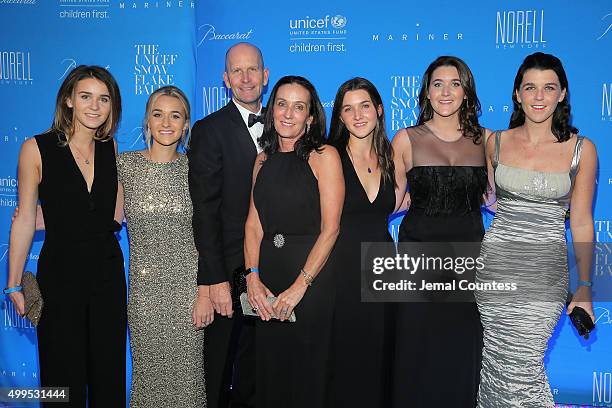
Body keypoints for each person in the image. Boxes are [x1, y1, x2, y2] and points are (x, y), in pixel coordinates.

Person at [475, 52, 597, 408]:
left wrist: (586, 287)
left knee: (524, 367)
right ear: (517, 94)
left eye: (548, 88)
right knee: (495, 363)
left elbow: (582, 221)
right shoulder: (495, 142)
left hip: (544, 270)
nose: (539, 96)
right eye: (530, 87)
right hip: (496, 265)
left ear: (562, 94)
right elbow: (490, 199)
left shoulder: (581, 150)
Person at [5, 65, 126, 407]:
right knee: (61, 377)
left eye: (104, 99)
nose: (94, 106)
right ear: (69, 100)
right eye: (85, 96)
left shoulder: (110, 148)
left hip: (107, 275)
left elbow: (108, 214)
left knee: (109, 374)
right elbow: (25, 218)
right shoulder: (35, 148)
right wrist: (13, 283)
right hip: (60, 276)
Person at [391, 56, 491, 407]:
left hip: (468, 264)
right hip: (417, 263)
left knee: (461, 354)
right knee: (415, 351)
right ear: (427, 93)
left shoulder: (487, 141)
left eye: (454, 83)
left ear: (466, 91)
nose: (445, 91)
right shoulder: (405, 139)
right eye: (437, 84)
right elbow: (391, 202)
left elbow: (497, 200)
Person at [243, 75, 344, 408]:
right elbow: (253, 226)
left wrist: (301, 286)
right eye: (282, 104)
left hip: (311, 283)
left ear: (310, 117)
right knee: (272, 373)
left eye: (298, 107)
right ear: (272, 110)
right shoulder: (262, 160)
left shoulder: (324, 155)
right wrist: (252, 279)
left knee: (308, 375)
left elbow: (331, 229)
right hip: (267, 283)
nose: (288, 114)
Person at [116, 86, 210, 407]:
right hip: (145, 295)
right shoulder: (125, 166)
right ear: (147, 122)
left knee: (188, 385)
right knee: (148, 381)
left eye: (175, 115)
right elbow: (100, 215)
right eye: (158, 114)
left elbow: (207, 237)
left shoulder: (195, 170)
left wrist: (205, 294)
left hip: (189, 295)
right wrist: (41, 216)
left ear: (186, 125)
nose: (166, 122)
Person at [187, 42, 268, 408]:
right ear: (225, 79)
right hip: (230, 270)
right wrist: (214, 279)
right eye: (237, 70)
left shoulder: (289, 126)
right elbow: (204, 211)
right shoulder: (209, 130)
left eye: (252, 69)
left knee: (261, 363)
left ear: (265, 76)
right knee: (221, 365)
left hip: (278, 267)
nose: (246, 77)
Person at [327, 77, 397, 407]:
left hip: (383, 271)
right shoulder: (328, 158)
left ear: (379, 111)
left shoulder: (391, 157)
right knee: (343, 360)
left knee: (379, 358)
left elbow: (404, 202)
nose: (357, 115)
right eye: (348, 108)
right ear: (339, 117)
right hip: (340, 271)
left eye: (365, 106)